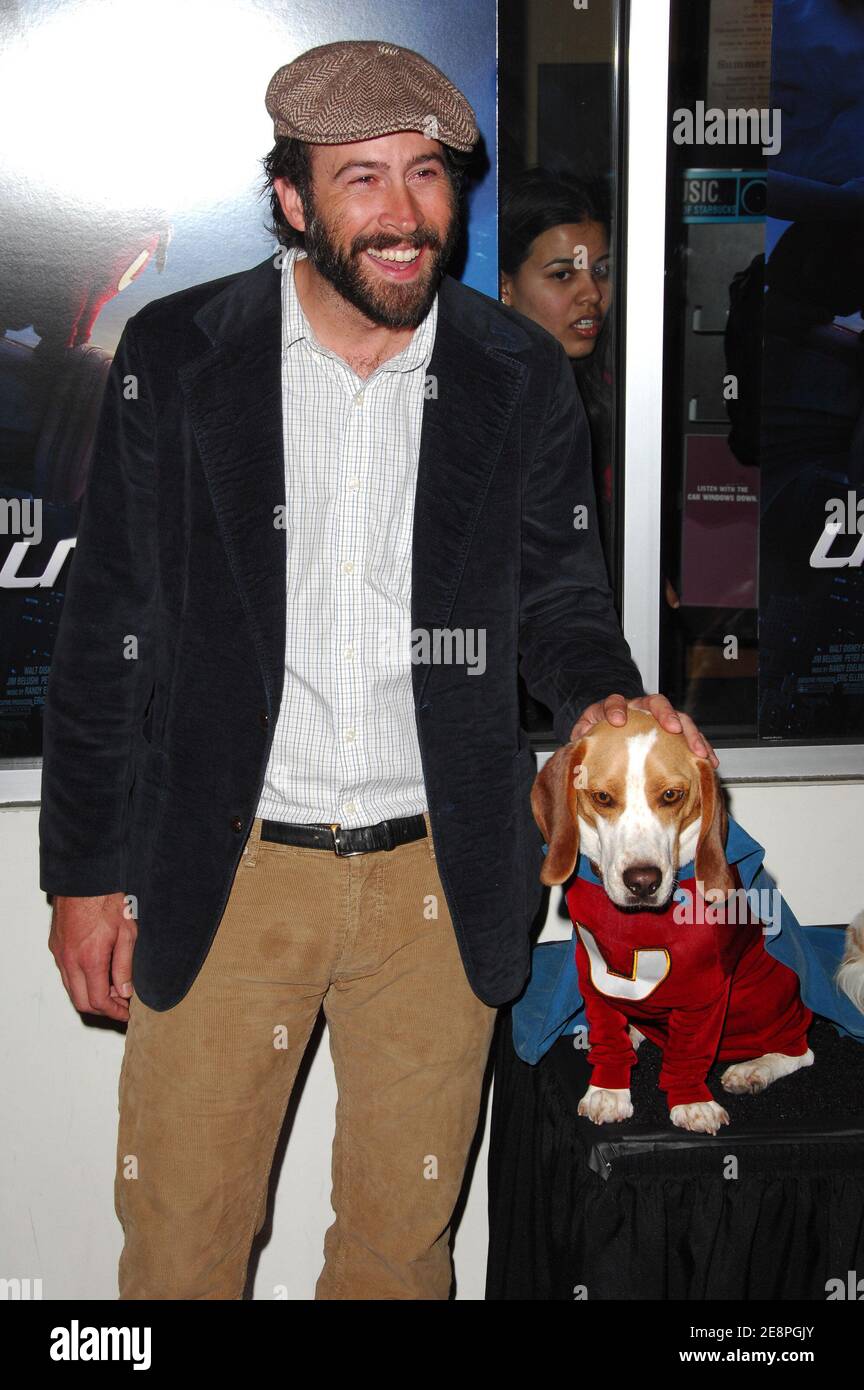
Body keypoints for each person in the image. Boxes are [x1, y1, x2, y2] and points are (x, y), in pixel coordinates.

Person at [38, 38, 717, 1301]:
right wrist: (83, 876)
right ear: (292, 199)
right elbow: (106, 627)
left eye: (427, 175)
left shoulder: (516, 375)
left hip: (438, 880)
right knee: (180, 1258)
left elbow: (562, 608)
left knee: (401, 1259)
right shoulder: (180, 356)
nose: (404, 215)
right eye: (361, 179)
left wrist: (607, 707)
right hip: (228, 873)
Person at [499, 169, 615, 570]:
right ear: (505, 287)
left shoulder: (616, 385)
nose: (592, 294)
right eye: (563, 275)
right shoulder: (486, 405)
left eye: (600, 270)